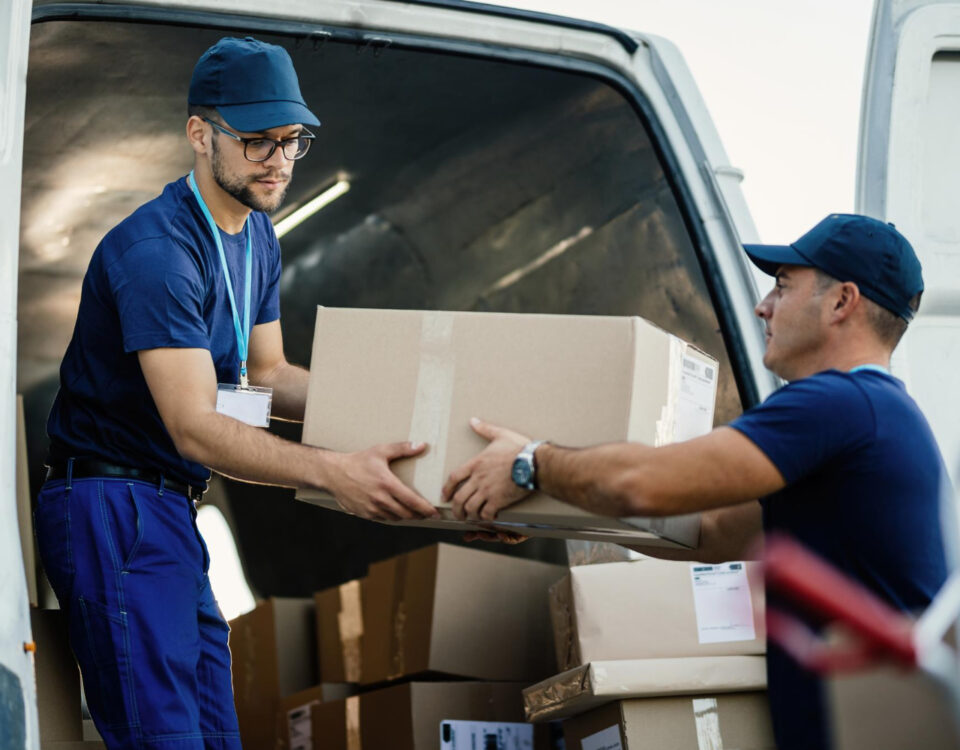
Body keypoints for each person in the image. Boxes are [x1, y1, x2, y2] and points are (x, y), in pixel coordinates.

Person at [34, 37, 437, 750]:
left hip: (171, 509)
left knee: (218, 733)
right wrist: (333, 472)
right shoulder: (158, 253)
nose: (278, 159)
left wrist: (403, 419)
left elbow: (272, 374)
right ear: (200, 133)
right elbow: (194, 425)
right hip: (115, 506)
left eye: (292, 140)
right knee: (167, 738)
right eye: (257, 141)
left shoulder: (257, 237)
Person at [442, 214, 955, 750]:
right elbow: (705, 532)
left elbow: (643, 484)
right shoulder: (878, 417)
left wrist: (530, 462)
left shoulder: (841, 403)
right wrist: (540, 508)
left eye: (782, 286)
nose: (763, 306)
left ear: (841, 301)